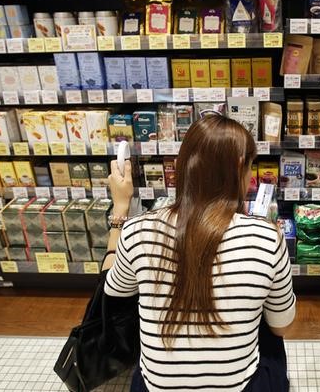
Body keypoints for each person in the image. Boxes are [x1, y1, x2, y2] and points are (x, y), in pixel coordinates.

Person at [103, 115, 296, 392]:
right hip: (241, 386)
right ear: (240, 167)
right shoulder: (267, 236)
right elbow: (281, 327)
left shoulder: (137, 230)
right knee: (268, 327)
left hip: (154, 387)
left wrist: (120, 210)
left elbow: (115, 291)